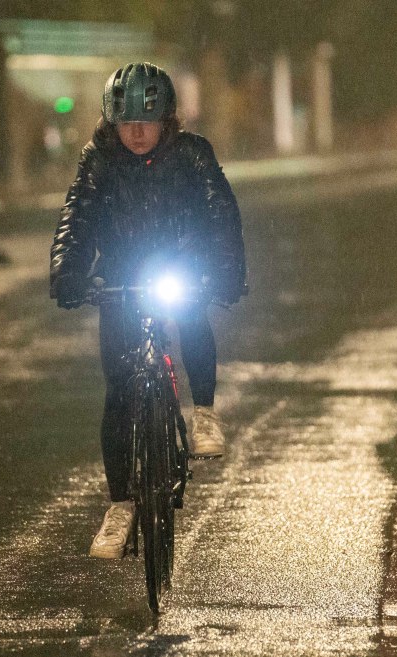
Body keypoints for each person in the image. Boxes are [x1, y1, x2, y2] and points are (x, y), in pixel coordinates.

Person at [50, 62, 246, 559]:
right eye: (126, 120)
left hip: (180, 268)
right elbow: (79, 214)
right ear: (111, 121)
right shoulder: (98, 159)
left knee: (191, 314)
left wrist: (224, 271)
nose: (137, 132)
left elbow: (220, 213)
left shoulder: (193, 156)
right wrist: (68, 273)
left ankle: (203, 411)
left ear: (168, 120)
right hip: (120, 280)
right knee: (118, 388)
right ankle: (119, 506)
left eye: (147, 119)